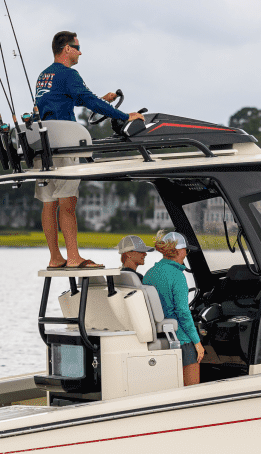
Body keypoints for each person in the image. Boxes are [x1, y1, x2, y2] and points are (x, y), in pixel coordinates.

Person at [33, 31, 146, 269]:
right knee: (67, 203)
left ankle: (55, 257)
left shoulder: (44, 76)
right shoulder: (69, 73)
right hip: (64, 145)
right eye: (77, 47)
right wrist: (125, 115)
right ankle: (74, 258)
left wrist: (102, 99)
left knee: (48, 203)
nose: (80, 52)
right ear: (66, 49)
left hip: (42, 145)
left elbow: (68, 99)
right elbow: (88, 101)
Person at [143, 231, 202, 385]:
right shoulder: (177, 276)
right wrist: (197, 342)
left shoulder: (149, 273)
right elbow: (183, 312)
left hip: (159, 335)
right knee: (193, 390)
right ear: (177, 251)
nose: (186, 254)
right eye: (186, 250)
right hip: (180, 338)